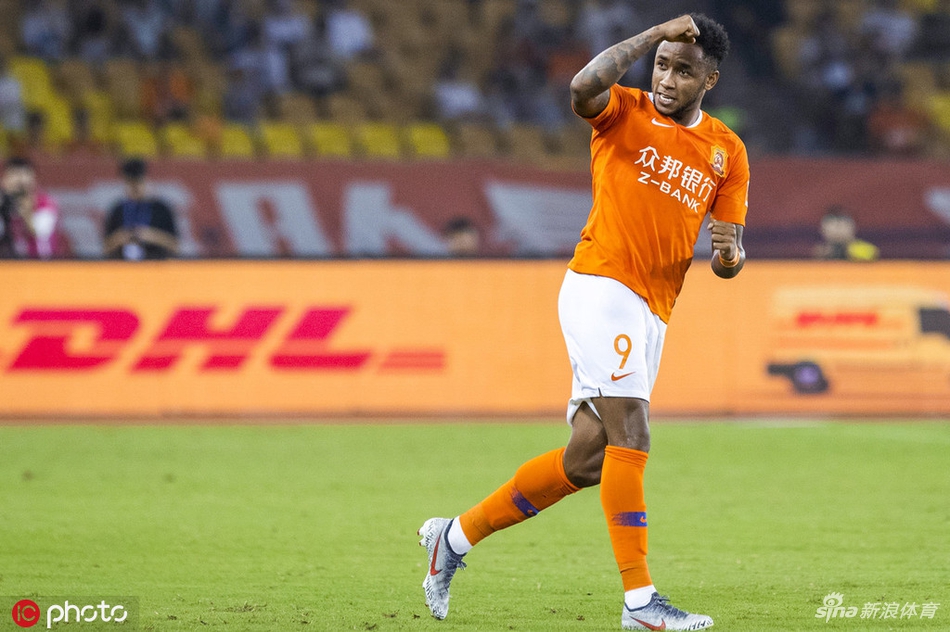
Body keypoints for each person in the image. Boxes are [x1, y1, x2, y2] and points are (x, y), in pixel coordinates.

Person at [418, 13, 748, 632]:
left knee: (588, 460)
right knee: (634, 436)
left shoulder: (727, 150)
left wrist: (730, 257)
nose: (667, 79)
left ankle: (452, 539)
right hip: (601, 285)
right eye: (662, 65)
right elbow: (580, 87)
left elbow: (728, 252)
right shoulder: (623, 109)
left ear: (710, 80)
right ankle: (640, 603)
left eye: (683, 71)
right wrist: (653, 34)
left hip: (653, 309)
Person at [103, 158, 178, 260]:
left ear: (146, 181)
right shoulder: (118, 210)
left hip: (155, 264)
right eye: (130, 183)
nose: (135, 188)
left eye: (138, 183)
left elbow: (175, 246)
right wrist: (121, 238)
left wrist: (151, 236)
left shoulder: (161, 209)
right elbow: (105, 248)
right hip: (123, 265)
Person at [813, 206, 878, 262]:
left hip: (848, 244)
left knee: (862, 251)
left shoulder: (847, 219)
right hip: (831, 244)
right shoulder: (827, 220)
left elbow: (850, 233)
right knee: (820, 251)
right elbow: (827, 234)